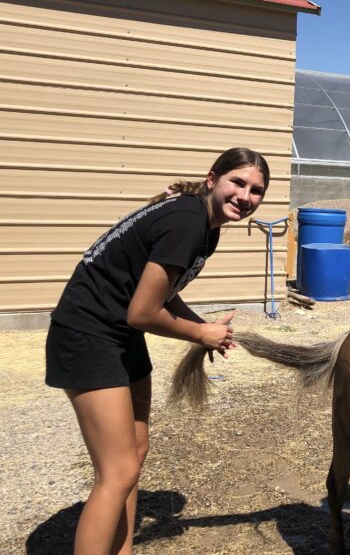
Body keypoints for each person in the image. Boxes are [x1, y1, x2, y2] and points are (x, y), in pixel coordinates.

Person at [46, 147, 269, 555]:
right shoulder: (186, 222)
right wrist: (199, 335)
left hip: (119, 336)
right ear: (212, 179)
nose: (245, 195)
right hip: (87, 334)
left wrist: (202, 325)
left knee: (135, 451)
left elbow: (162, 294)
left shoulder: (206, 225)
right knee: (118, 471)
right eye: (237, 182)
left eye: (256, 190)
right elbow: (143, 312)